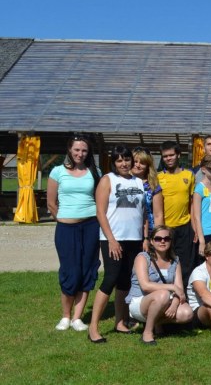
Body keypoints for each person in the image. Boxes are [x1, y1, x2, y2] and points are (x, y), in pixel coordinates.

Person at [89, 144, 146, 343]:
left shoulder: (139, 182)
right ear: (114, 163)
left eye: (127, 159)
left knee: (125, 281)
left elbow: (143, 212)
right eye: (119, 160)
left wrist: (145, 238)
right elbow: (100, 212)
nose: (124, 163)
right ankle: (93, 327)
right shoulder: (107, 180)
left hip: (134, 239)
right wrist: (111, 240)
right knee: (110, 279)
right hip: (113, 238)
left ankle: (120, 322)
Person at [47, 134, 102, 332]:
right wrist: (64, 219)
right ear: (70, 149)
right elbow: (51, 203)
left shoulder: (95, 172)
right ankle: (65, 316)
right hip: (66, 228)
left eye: (84, 150)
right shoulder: (57, 172)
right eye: (77, 149)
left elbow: (100, 200)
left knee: (87, 269)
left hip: (91, 226)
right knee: (70, 271)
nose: (80, 154)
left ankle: (77, 318)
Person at [126, 226, 193, 345]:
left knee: (187, 313)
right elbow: (145, 286)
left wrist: (174, 304)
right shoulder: (142, 257)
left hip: (165, 301)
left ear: (171, 241)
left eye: (166, 239)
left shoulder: (175, 260)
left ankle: (156, 322)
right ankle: (147, 333)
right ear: (152, 241)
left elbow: (180, 290)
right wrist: (171, 287)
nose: (162, 241)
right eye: (158, 239)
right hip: (140, 301)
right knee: (163, 294)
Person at [157, 140, 196, 288]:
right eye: (165, 156)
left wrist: (194, 227)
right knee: (165, 263)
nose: (168, 158)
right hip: (166, 228)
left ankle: (184, 295)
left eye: (171, 155)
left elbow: (192, 203)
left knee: (185, 264)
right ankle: (166, 293)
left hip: (185, 227)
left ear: (178, 155)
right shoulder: (158, 177)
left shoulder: (189, 175)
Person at [131, 147, 164, 237]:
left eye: (142, 163)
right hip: (127, 231)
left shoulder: (153, 185)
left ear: (148, 165)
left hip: (149, 232)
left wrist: (158, 236)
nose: (137, 165)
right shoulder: (122, 182)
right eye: (135, 161)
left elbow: (158, 215)